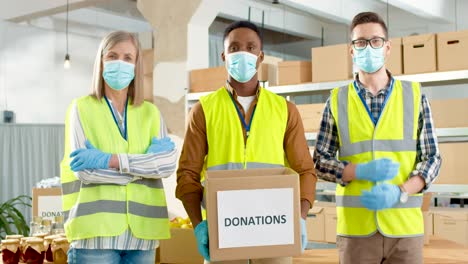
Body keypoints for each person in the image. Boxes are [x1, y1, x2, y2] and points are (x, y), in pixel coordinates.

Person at [176, 20, 317, 264]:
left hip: (274, 227)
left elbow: (305, 170)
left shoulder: (285, 110)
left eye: (251, 47)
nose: (243, 53)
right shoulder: (204, 110)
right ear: (224, 55)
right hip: (223, 229)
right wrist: (199, 226)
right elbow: (187, 174)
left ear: (260, 56)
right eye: (234, 48)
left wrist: (300, 217)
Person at [313, 12, 442, 264]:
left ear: (387, 47)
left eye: (375, 41)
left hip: (404, 231)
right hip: (356, 232)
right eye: (360, 42)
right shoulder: (337, 100)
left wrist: (401, 191)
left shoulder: (414, 96)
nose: (368, 47)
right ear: (351, 50)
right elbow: (320, 161)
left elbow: (433, 158)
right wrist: (358, 171)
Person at [60, 30, 178, 263]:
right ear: (101, 63)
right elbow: (85, 171)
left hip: (142, 236)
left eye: (127, 57)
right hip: (95, 237)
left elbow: (166, 166)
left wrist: (112, 160)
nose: (119, 63)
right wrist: (143, 170)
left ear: (136, 65)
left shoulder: (151, 113)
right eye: (112, 56)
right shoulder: (81, 108)